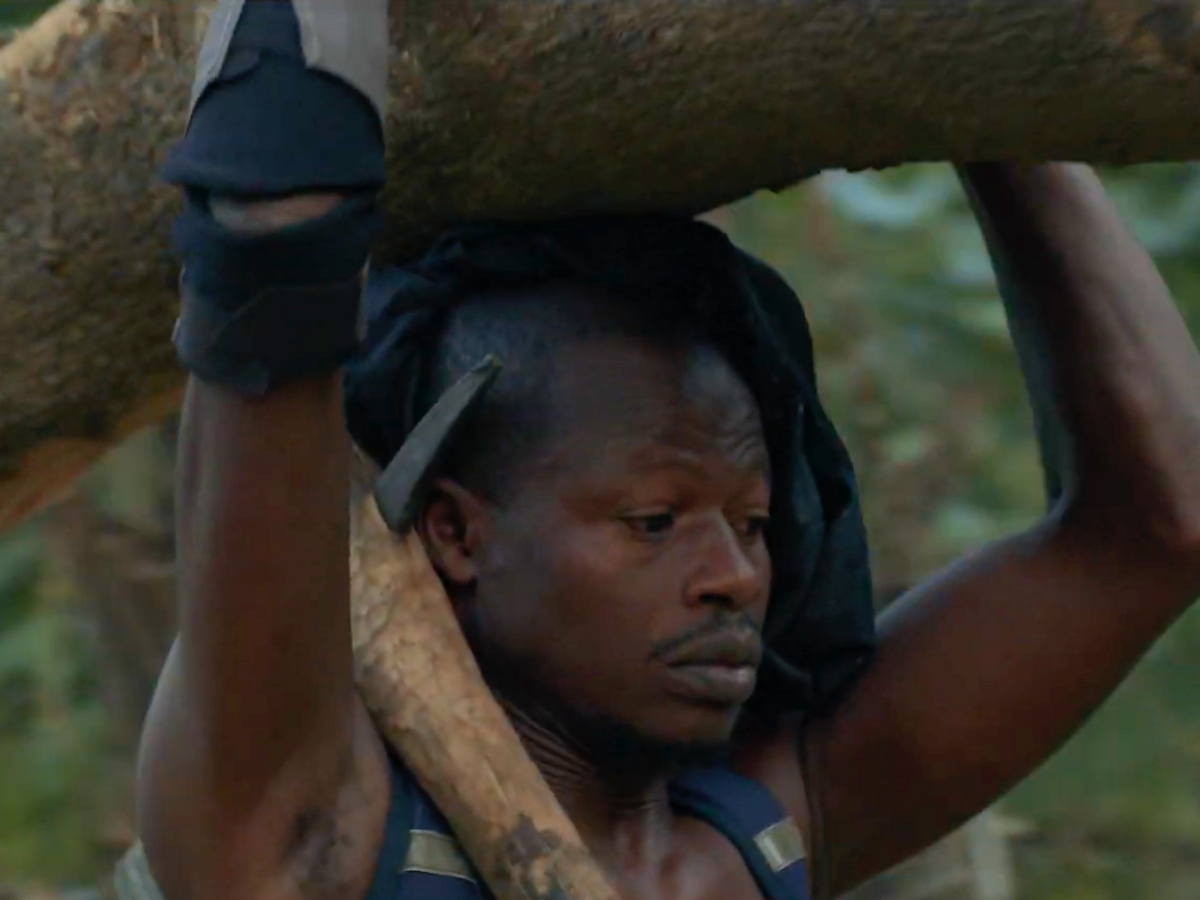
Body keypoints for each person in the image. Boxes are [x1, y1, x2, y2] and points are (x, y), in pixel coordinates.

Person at [124, 1, 1200, 899]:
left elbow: (1162, 519)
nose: (735, 577)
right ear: (454, 530)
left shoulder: (770, 826)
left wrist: (982, 94)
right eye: (655, 521)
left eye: (752, 524)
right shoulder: (312, 831)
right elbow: (269, 259)